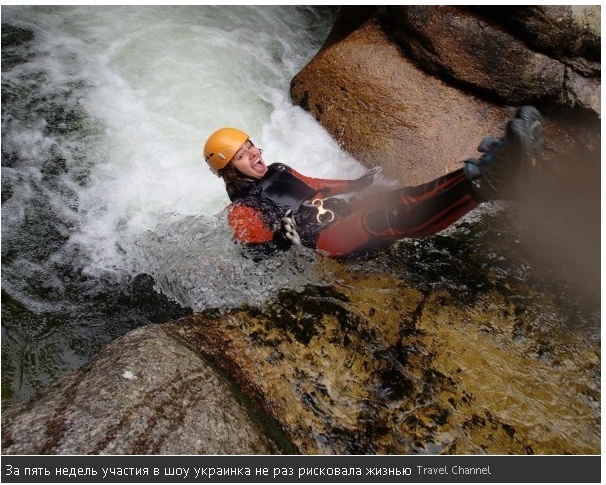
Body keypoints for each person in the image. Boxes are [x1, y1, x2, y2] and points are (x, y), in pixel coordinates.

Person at [203, 106, 543, 257]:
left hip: (340, 221)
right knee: (384, 217)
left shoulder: (278, 170)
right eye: (243, 155)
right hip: (323, 244)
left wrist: (355, 185)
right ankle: (488, 182)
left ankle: (490, 171)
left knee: (399, 198)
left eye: (251, 146)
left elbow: (316, 184)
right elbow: (255, 255)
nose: (255, 153)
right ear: (230, 170)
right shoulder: (242, 210)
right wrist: (281, 238)